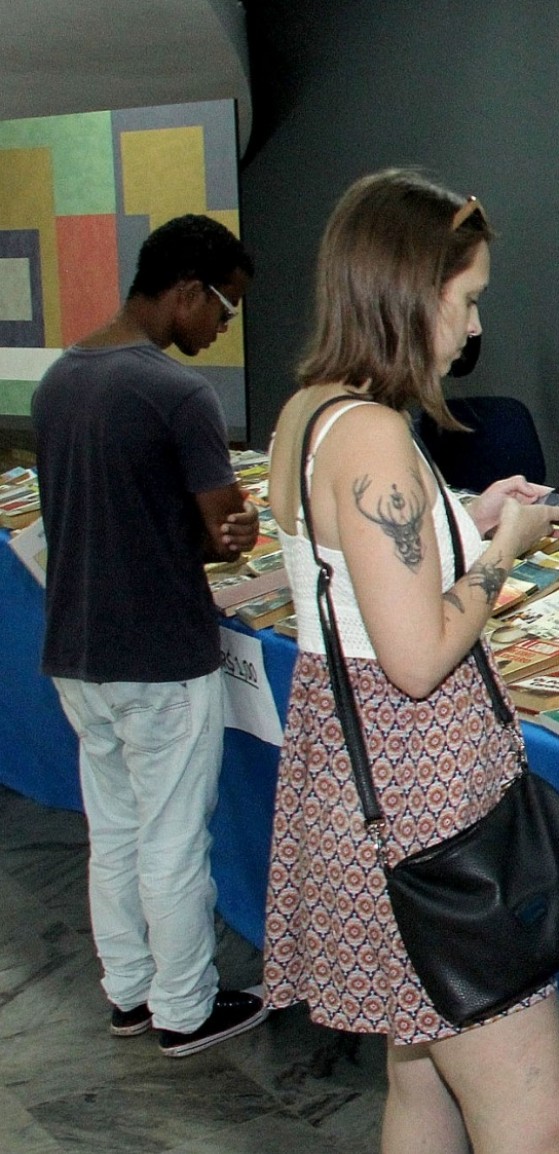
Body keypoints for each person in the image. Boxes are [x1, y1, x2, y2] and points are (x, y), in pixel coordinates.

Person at [262, 170, 559, 1154]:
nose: (472, 327)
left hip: (369, 791)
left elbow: (362, 577)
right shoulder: (372, 440)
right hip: (423, 807)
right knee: (540, 1117)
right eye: (468, 298)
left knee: (425, 1079)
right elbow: (416, 655)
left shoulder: (314, 409)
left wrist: (466, 513)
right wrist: (505, 547)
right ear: (412, 289)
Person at [31, 215, 270, 1058]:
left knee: (117, 831)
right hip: (163, 655)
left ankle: (129, 992)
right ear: (185, 293)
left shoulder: (61, 378)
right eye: (224, 309)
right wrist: (230, 536)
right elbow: (218, 528)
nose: (222, 328)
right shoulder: (179, 394)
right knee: (174, 837)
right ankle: (186, 1009)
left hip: (76, 651)